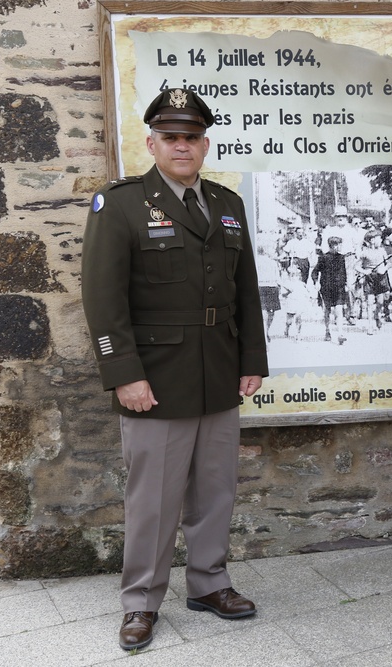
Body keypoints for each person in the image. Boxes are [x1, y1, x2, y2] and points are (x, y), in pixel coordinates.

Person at [81, 88, 268, 651]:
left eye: (191, 137)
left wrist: (251, 360)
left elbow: (245, 291)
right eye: (171, 137)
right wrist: (124, 373)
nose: (182, 146)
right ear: (152, 143)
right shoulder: (119, 205)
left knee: (215, 489)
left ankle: (209, 583)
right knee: (154, 498)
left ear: (204, 144)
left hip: (219, 369)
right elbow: (102, 299)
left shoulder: (226, 203)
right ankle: (140, 600)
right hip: (155, 378)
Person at [311, 236, 349, 344]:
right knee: (327, 311)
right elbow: (314, 272)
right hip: (326, 288)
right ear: (333, 246)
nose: (341, 247)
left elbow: (343, 272)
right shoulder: (323, 257)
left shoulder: (341, 257)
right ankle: (327, 330)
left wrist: (345, 283)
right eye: (339, 245)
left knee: (339, 311)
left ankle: (340, 333)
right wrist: (316, 282)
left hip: (339, 288)